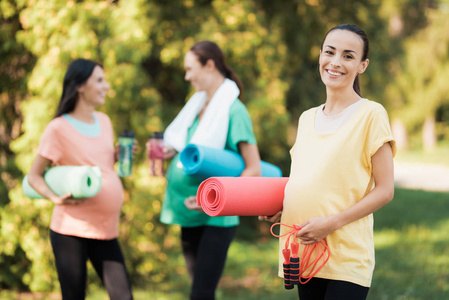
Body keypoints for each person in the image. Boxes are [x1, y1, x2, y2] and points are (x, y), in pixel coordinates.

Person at [260, 24, 396, 299]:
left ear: (362, 65)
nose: (335, 62)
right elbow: (305, 179)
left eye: (348, 56)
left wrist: (331, 223)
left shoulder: (371, 114)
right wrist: (281, 207)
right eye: (330, 52)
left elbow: (385, 190)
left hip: (346, 257)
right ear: (320, 56)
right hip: (303, 251)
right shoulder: (307, 118)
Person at [156, 40, 262, 300]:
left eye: (191, 68)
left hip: (216, 215)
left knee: (201, 292)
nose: (186, 76)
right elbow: (186, 148)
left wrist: (211, 199)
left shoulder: (234, 111)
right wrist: (165, 152)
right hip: (188, 210)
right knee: (199, 290)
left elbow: (254, 169)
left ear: (210, 65)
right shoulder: (195, 107)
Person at [27, 58, 134, 300]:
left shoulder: (104, 121)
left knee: (124, 297)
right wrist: (55, 197)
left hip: (106, 228)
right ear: (79, 86)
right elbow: (34, 176)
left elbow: (99, 166)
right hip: (72, 229)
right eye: (99, 80)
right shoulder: (58, 129)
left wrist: (115, 157)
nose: (106, 86)